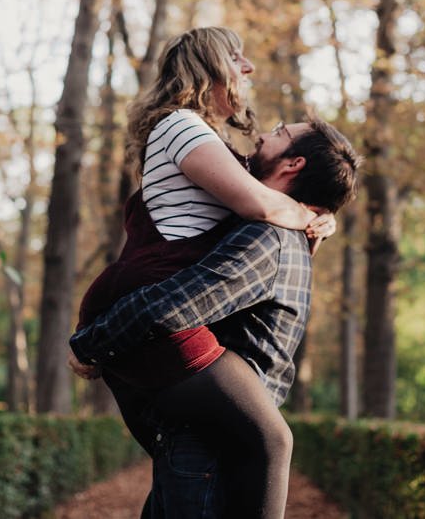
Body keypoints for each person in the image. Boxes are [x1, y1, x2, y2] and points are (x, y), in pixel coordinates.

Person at [70, 27, 354, 518]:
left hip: (163, 304)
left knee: (186, 453)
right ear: (209, 69)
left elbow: (268, 196)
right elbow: (257, 201)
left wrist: (322, 217)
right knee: (273, 438)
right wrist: (309, 215)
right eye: (236, 59)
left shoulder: (220, 148)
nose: (248, 69)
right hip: (156, 302)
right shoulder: (183, 126)